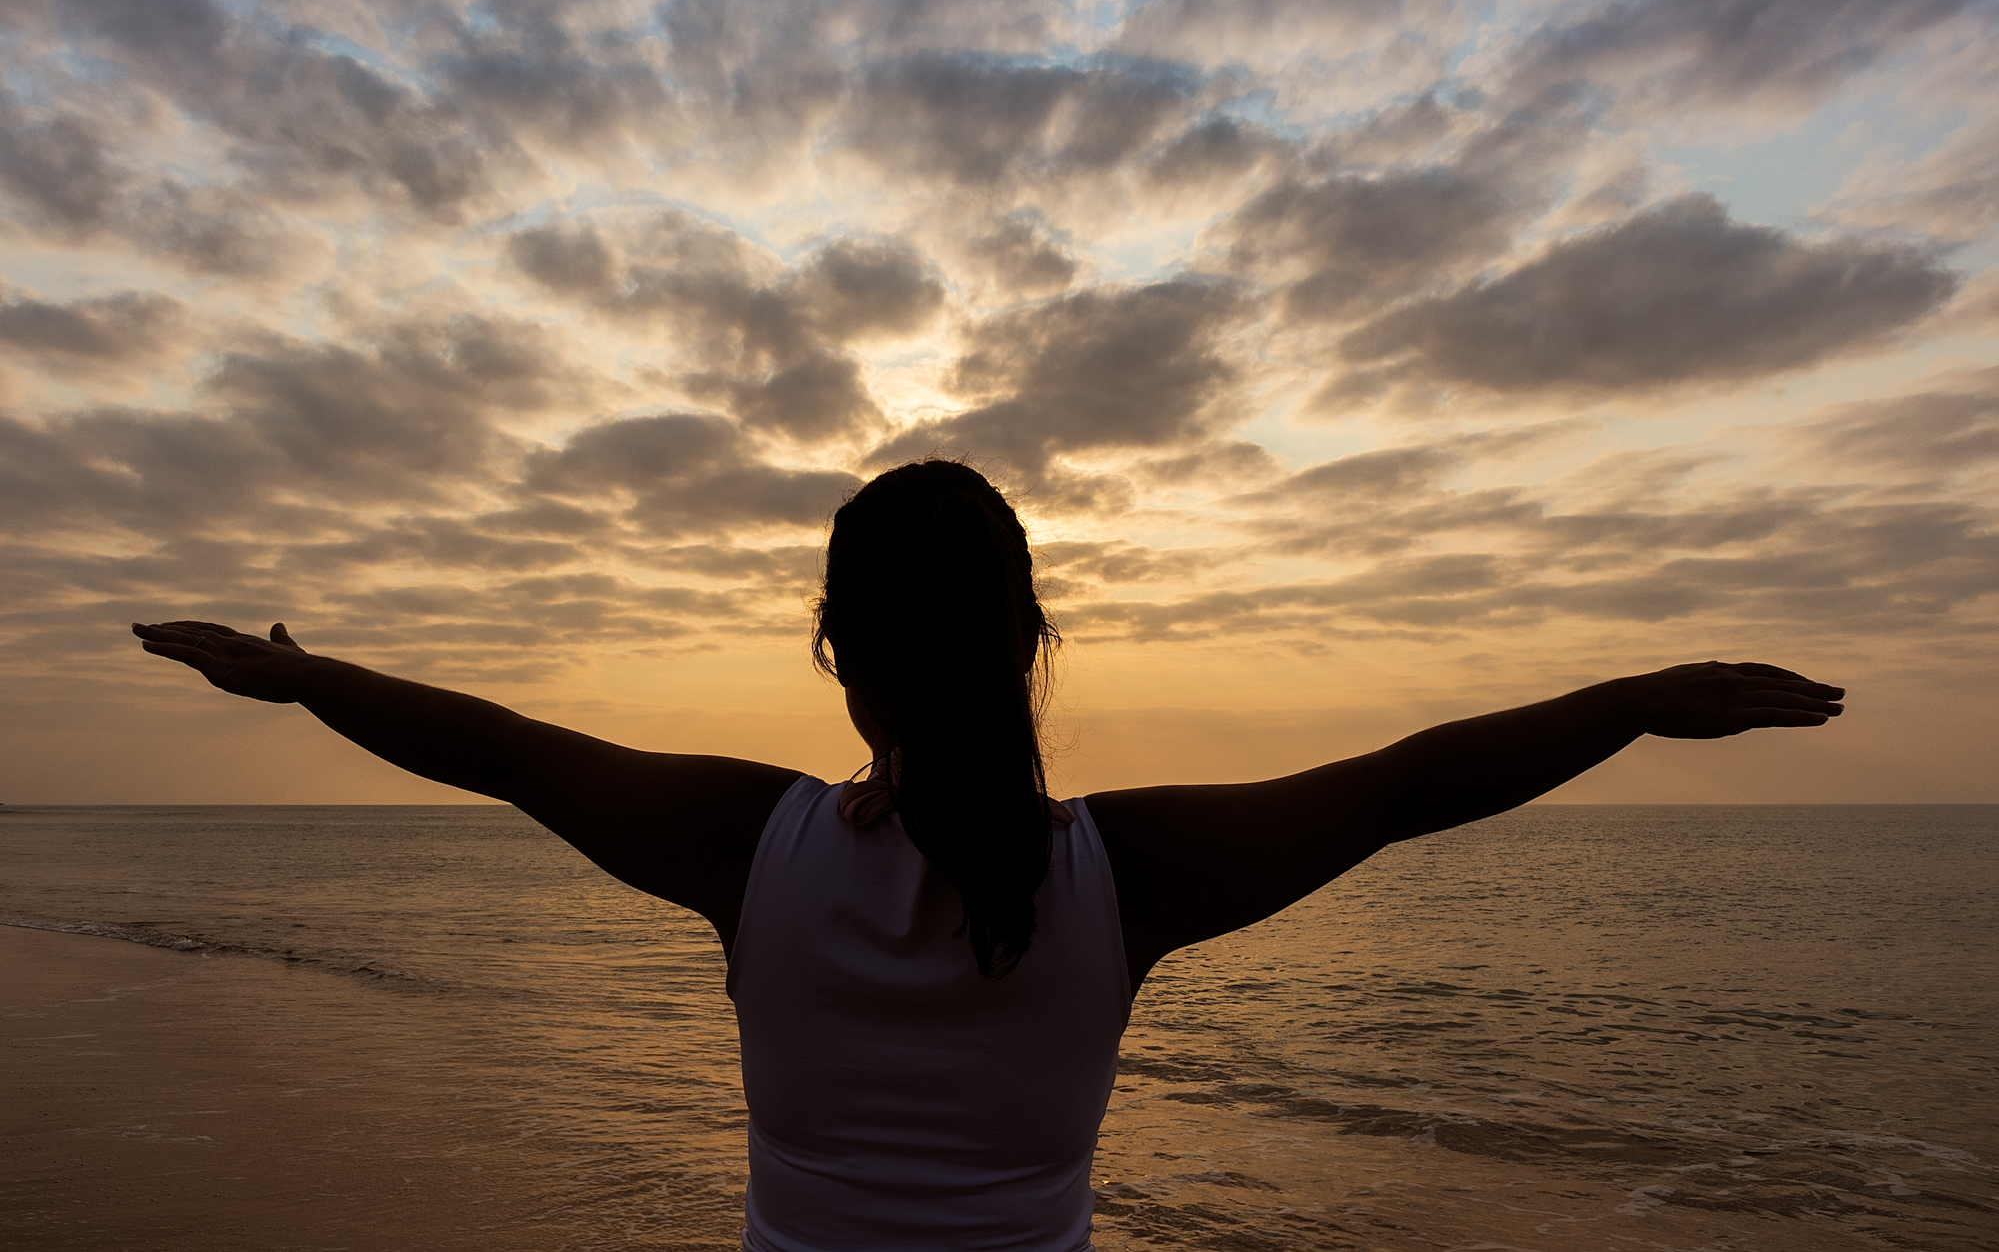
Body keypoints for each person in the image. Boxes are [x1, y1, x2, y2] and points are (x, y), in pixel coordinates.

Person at [132, 457, 1845, 1252]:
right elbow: (1409, 781)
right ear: (1032, 644)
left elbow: (497, 748)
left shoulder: (751, 845)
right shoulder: (1128, 875)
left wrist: (303, 678)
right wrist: (1636, 696)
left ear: (834, 653)